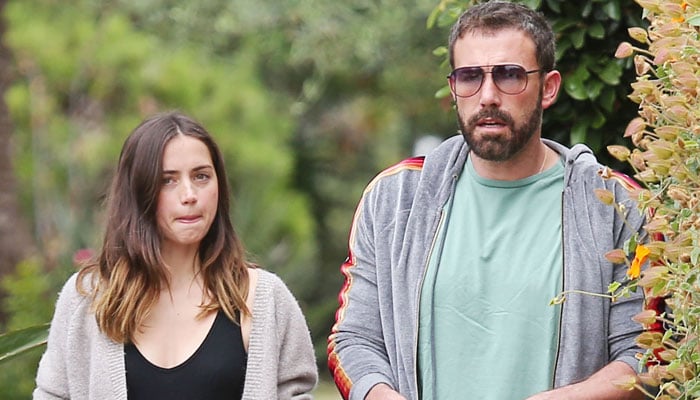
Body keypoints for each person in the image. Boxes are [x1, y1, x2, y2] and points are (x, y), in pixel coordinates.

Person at [327, 2, 647, 399]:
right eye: (470, 77)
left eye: (510, 75)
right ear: (453, 88)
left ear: (548, 88)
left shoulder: (614, 207)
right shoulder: (395, 200)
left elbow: (646, 353)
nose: (488, 96)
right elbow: (354, 339)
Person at [33, 111, 318, 399]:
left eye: (201, 176)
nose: (189, 194)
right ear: (138, 192)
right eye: (168, 180)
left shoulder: (265, 299)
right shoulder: (87, 300)